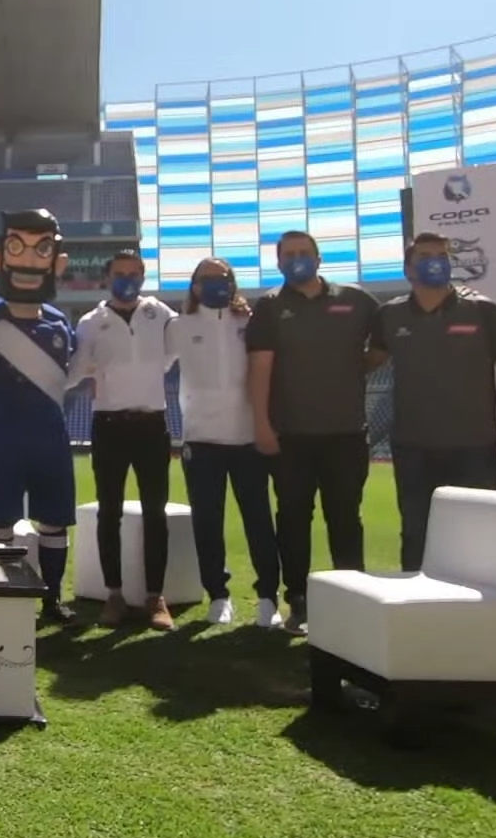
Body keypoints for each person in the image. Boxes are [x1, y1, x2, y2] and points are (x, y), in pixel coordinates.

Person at [244, 230, 385, 633]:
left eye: (304, 252)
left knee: (345, 518)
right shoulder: (270, 306)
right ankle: (299, 601)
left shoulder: (357, 300)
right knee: (292, 521)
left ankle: (351, 598)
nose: (297, 259)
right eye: (288, 254)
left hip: (346, 433)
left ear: (319, 259)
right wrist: (262, 424)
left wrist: (353, 367)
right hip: (291, 435)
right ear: (278, 263)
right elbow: (260, 368)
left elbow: (382, 346)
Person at [371, 233, 496, 572]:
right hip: (413, 447)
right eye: (425, 257)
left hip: (474, 447)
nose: (435, 262)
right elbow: (368, 362)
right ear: (408, 269)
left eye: (441, 256)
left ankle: (482, 602)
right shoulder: (389, 315)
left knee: (480, 536)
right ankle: (417, 600)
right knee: (416, 534)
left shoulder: (486, 312)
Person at [0, 209, 80, 623]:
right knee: (0, 523)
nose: (28, 260)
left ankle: (52, 599)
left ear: (57, 262)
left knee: (54, 523)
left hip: (51, 437)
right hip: (4, 436)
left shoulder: (60, 324)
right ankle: (4, 598)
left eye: (41, 249)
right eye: (16, 247)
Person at [167, 257, 285, 628]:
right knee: (207, 523)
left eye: (223, 277)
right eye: (208, 278)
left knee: (259, 521)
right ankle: (218, 595)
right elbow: (150, 366)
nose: (217, 283)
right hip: (201, 440)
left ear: (233, 284)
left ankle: (268, 598)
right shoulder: (179, 326)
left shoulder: (250, 323)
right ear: (195, 286)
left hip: (248, 438)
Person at [69, 249, 178, 629]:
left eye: (134, 273)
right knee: (109, 512)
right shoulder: (90, 322)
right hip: (109, 425)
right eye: (120, 273)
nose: (127, 280)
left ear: (143, 277)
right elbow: (76, 370)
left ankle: (155, 597)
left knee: (155, 513)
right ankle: (113, 595)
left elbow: (178, 349)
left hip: (152, 425)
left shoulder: (160, 314)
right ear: (107, 277)